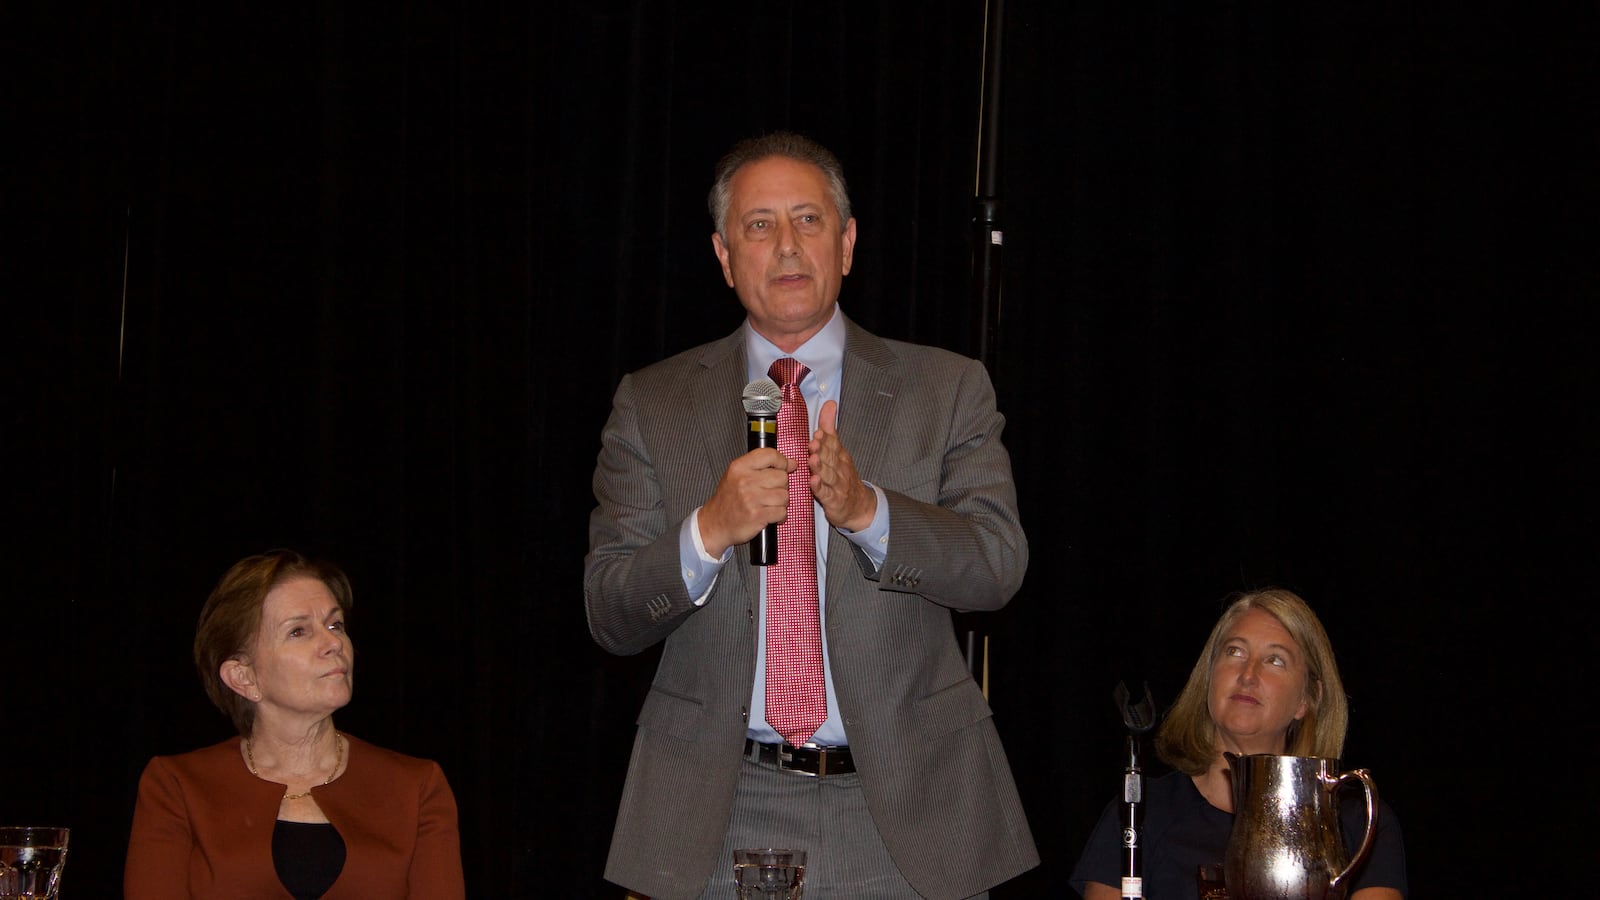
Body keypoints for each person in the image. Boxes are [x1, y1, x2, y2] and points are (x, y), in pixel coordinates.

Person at [584, 131, 1037, 900]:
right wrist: (709, 530)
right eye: (759, 226)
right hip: (721, 804)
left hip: (907, 807)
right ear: (725, 257)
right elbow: (611, 612)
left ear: (848, 243)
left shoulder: (947, 387)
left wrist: (868, 512)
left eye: (809, 220)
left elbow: (996, 567)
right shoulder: (653, 403)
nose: (787, 246)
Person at [124, 550, 466, 899]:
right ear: (243, 678)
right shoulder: (178, 787)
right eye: (299, 631)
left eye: (335, 625)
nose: (334, 643)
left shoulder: (416, 787)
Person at [1069, 588, 1408, 900]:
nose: (1248, 673)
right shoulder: (1139, 810)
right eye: (1235, 651)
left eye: (1275, 660)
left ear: (1307, 699)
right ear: (1209, 676)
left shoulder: (1357, 820)